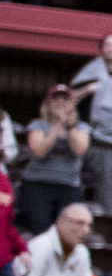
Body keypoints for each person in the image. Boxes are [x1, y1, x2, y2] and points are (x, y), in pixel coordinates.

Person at [16, 86, 90, 234]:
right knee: (40, 231)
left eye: (65, 99)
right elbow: (39, 151)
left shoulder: (81, 127)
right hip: (38, 185)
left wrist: (69, 125)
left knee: (67, 232)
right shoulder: (38, 125)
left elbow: (79, 149)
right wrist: (56, 126)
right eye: (56, 98)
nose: (60, 102)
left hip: (69, 185)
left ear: (72, 104)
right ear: (48, 103)